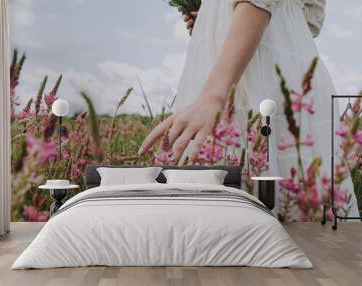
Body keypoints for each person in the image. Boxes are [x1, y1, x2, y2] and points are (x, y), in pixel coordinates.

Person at [138, 0, 359, 217]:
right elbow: (309, 20)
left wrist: (214, 94)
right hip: (276, 58)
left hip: (241, 77)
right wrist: (214, 20)